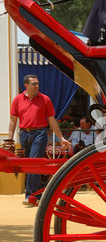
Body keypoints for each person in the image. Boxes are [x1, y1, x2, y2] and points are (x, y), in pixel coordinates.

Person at [9, 74, 71, 206]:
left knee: (33, 163)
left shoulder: (45, 99)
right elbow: (13, 121)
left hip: (39, 133)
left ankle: (31, 195)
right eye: (34, 84)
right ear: (26, 85)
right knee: (28, 165)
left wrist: (61, 138)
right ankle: (37, 195)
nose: (37, 86)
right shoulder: (17, 100)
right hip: (24, 134)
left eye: (37, 83)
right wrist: (9, 139)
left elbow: (52, 120)